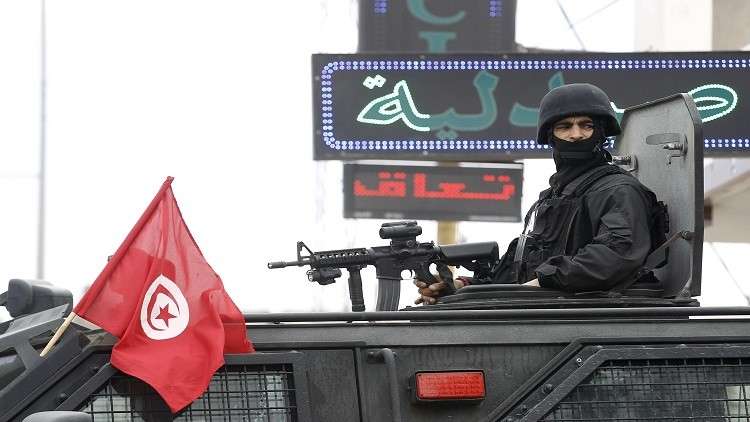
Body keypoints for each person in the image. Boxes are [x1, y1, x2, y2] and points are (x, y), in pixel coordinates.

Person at [416, 83, 664, 305]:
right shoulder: (551, 198)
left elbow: (616, 255)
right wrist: (461, 286)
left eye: (586, 125)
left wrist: (544, 281)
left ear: (600, 132)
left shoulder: (618, 190)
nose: (576, 134)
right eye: (564, 127)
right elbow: (522, 271)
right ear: (550, 136)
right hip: (549, 315)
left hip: (590, 320)